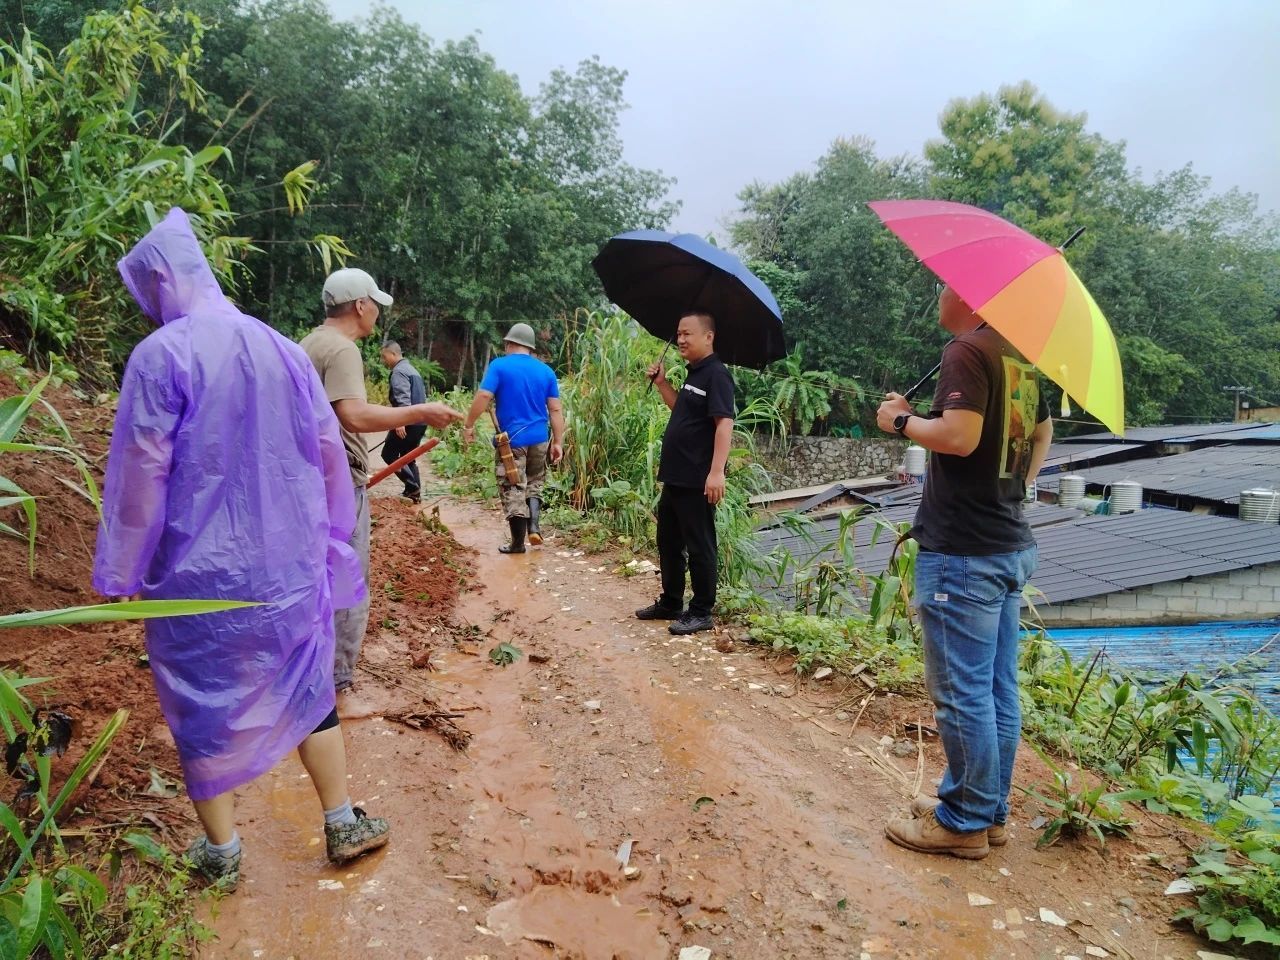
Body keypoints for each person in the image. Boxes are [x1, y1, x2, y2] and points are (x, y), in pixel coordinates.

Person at [93, 208, 391, 891]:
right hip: (286, 562)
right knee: (306, 681)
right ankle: (341, 818)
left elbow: (141, 475)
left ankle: (221, 852)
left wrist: (122, 570)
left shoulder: (160, 356)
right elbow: (324, 451)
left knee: (201, 701)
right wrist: (332, 536)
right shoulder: (280, 348)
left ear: (160, 284)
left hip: (195, 575)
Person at [876, 285, 1053, 860]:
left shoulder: (966, 350)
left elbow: (959, 437)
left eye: (944, 283)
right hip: (1005, 542)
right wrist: (1018, 485)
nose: (936, 291)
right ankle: (987, 810)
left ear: (973, 296)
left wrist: (902, 423)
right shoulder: (1018, 356)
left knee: (962, 695)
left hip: (964, 554)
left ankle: (964, 822)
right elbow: (1043, 430)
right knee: (997, 689)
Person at [300, 269, 462, 704]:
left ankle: (308, 664)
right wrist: (420, 412)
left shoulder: (308, 343)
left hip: (309, 478)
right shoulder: (343, 349)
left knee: (317, 573)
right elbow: (353, 415)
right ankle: (336, 678)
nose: (377, 312)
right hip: (339, 481)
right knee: (348, 576)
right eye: (375, 304)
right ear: (360, 306)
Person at [635, 311, 735, 636]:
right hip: (676, 476)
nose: (680, 339)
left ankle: (702, 611)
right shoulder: (695, 374)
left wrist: (717, 472)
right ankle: (671, 602)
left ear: (708, 337)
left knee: (700, 545)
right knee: (668, 541)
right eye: (678, 333)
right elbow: (680, 408)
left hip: (697, 477)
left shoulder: (716, 375)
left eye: (687, 333)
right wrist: (662, 383)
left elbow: (724, 424)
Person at [461, 323, 564, 553]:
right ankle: (534, 527)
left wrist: (469, 424)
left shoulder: (500, 366)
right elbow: (555, 410)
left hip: (512, 442)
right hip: (540, 438)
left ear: (509, 343)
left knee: (513, 487)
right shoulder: (546, 371)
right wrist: (558, 442)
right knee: (535, 484)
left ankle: (518, 544)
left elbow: (485, 395)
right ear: (530, 347)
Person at [379, 341, 427, 501]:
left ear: (393, 354)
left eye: (384, 356)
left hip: (408, 420)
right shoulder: (412, 370)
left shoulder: (399, 371)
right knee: (408, 456)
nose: (383, 360)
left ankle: (412, 486)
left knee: (388, 454)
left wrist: (400, 422)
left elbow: (403, 399)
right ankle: (414, 493)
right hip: (420, 421)